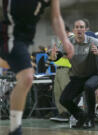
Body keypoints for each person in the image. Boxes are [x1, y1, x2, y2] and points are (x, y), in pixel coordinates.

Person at [0, 0, 74, 135]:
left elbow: (56, 17)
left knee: (23, 75)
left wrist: (65, 40)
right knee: (27, 77)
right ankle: (15, 130)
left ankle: (14, 129)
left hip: (24, 40)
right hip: (9, 35)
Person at [60, 19, 98, 129]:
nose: (79, 29)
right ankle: (81, 117)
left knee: (89, 86)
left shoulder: (93, 41)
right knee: (64, 99)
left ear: (85, 29)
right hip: (77, 77)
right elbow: (59, 56)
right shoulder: (68, 42)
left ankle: (91, 118)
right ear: (73, 30)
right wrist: (54, 57)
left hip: (94, 75)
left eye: (81, 27)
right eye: (77, 27)